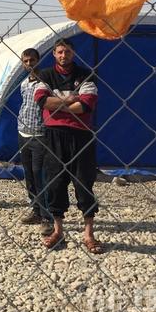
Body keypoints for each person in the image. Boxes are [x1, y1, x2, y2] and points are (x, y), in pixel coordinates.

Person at [34, 39, 104, 253]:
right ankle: (58, 230)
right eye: (60, 52)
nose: (64, 55)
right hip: (54, 135)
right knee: (55, 182)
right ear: (54, 54)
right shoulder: (45, 75)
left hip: (81, 135)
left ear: (73, 53)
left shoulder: (86, 75)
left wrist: (58, 101)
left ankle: (89, 233)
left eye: (67, 51)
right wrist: (70, 99)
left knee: (84, 182)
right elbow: (42, 101)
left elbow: (85, 105)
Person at [16, 48, 52, 235]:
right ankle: (36, 210)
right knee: (29, 175)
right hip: (24, 133)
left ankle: (47, 217)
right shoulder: (24, 83)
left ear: (39, 60)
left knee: (40, 176)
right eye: (26, 61)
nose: (29, 64)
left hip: (40, 134)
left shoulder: (46, 81)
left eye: (32, 60)